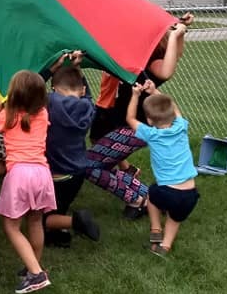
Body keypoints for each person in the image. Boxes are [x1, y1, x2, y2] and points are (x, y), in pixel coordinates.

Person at [85, 13, 195, 216]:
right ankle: (154, 199)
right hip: (125, 124)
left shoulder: (153, 62)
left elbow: (168, 69)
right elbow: (176, 54)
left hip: (134, 128)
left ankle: (136, 200)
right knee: (103, 163)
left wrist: (175, 34)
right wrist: (180, 30)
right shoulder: (141, 57)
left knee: (88, 165)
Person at [0, 70, 56, 294]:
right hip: (42, 172)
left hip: (19, 174)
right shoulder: (43, 113)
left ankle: (36, 274)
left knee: (11, 226)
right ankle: (33, 265)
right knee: (35, 221)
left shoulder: (8, 115)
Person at [126, 81, 199, 256]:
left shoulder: (152, 134)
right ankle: (164, 247)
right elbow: (174, 109)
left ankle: (156, 228)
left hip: (167, 191)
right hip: (190, 194)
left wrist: (135, 95)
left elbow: (130, 119)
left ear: (150, 121)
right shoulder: (181, 127)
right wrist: (155, 91)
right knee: (175, 219)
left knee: (151, 195)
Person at [43, 61, 100, 244]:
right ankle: (57, 235)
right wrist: (78, 69)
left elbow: (31, 85)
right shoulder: (87, 107)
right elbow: (88, 96)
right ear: (82, 89)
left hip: (57, 173)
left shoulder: (51, 102)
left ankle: (76, 222)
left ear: (53, 88)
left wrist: (51, 69)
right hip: (78, 172)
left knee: (44, 218)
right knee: (60, 207)